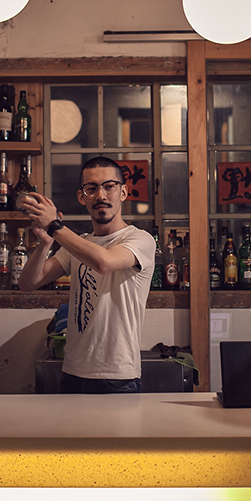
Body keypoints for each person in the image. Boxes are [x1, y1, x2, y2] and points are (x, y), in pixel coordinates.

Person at [19, 156, 155, 393]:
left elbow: (105, 261)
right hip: (72, 372)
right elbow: (28, 283)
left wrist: (55, 226)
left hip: (117, 375)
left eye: (109, 186)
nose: (101, 195)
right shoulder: (80, 243)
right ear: (82, 197)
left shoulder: (139, 239)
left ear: (123, 192)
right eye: (91, 188)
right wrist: (44, 243)